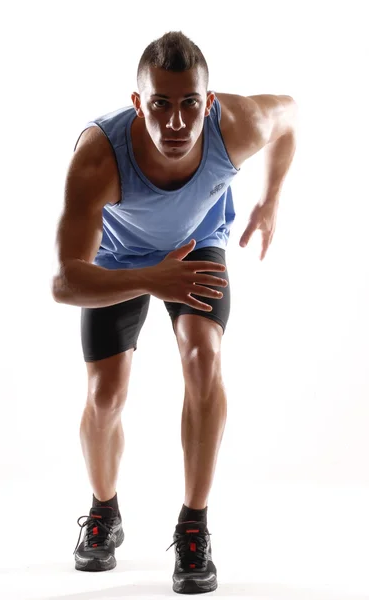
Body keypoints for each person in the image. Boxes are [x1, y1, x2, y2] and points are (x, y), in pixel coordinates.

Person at [51, 30, 297, 595]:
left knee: (204, 360)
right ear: (139, 103)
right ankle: (104, 512)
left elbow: (289, 115)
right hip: (115, 261)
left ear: (209, 104)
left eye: (190, 103)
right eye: (161, 103)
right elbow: (65, 281)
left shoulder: (234, 126)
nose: (177, 121)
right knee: (106, 396)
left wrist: (271, 198)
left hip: (199, 243)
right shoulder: (98, 155)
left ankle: (194, 526)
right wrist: (150, 278)